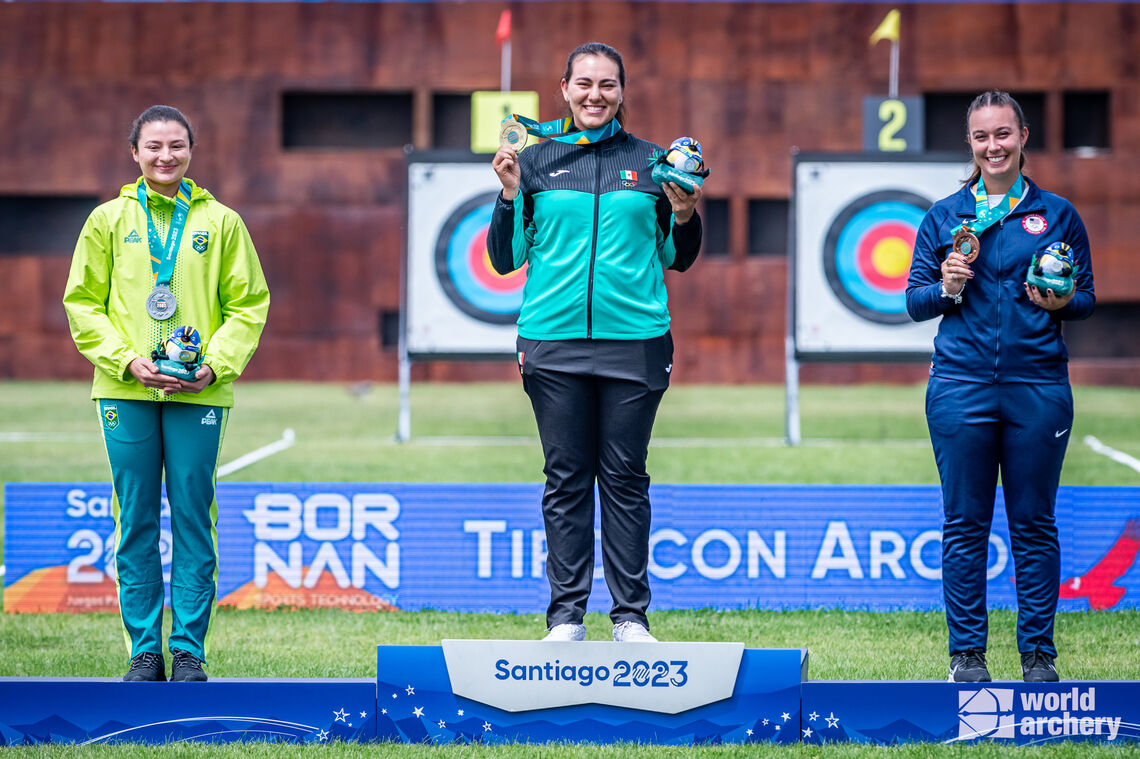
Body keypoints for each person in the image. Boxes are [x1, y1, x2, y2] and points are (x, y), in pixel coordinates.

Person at [488, 42, 702, 643]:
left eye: (607, 84)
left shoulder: (656, 163)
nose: (595, 95)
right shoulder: (533, 162)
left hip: (636, 343)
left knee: (626, 478)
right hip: (552, 343)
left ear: (622, 91)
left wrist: (686, 214)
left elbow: (679, 257)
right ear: (564, 89)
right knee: (566, 479)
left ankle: (630, 617)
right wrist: (508, 194)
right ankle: (566, 618)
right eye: (583, 83)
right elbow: (504, 258)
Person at [63, 105, 270, 682]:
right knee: (135, 519)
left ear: (191, 152)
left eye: (176, 145)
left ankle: (187, 652)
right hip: (123, 390)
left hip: (198, 393)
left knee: (193, 518)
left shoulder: (221, 222)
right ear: (134, 152)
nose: (165, 156)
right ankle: (144, 651)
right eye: (153, 146)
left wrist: (214, 367)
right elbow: (83, 303)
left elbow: (248, 304)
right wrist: (126, 361)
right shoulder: (107, 220)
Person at [906, 91, 1095, 683]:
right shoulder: (944, 216)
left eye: (1003, 134)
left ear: (1023, 136)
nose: (994, 146)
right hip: (960, 386)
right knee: (965, 525)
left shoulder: (1056, 213)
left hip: (1038, 386)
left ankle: (1038, 655)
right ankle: (967, 656)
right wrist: (946, 287)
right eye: (983, 136)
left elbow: (1086, 297)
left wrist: (1062, 302)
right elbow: (915, 302)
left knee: (1034, 525)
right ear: (970, 143)